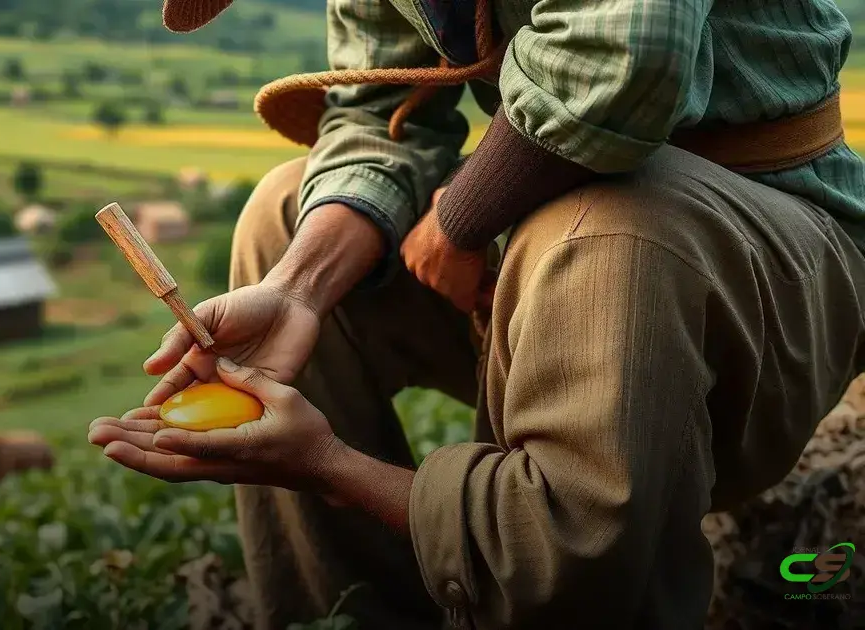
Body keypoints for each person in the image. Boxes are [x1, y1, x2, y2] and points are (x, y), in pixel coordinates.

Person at [89, 0, 865, 627]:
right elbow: (373, 113)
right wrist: (300, 287)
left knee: (602, 230)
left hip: (755, 253)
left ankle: (541, 543)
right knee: (281, 223)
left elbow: (626, 55)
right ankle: (351, 612)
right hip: (552, 228)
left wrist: (461, 222)